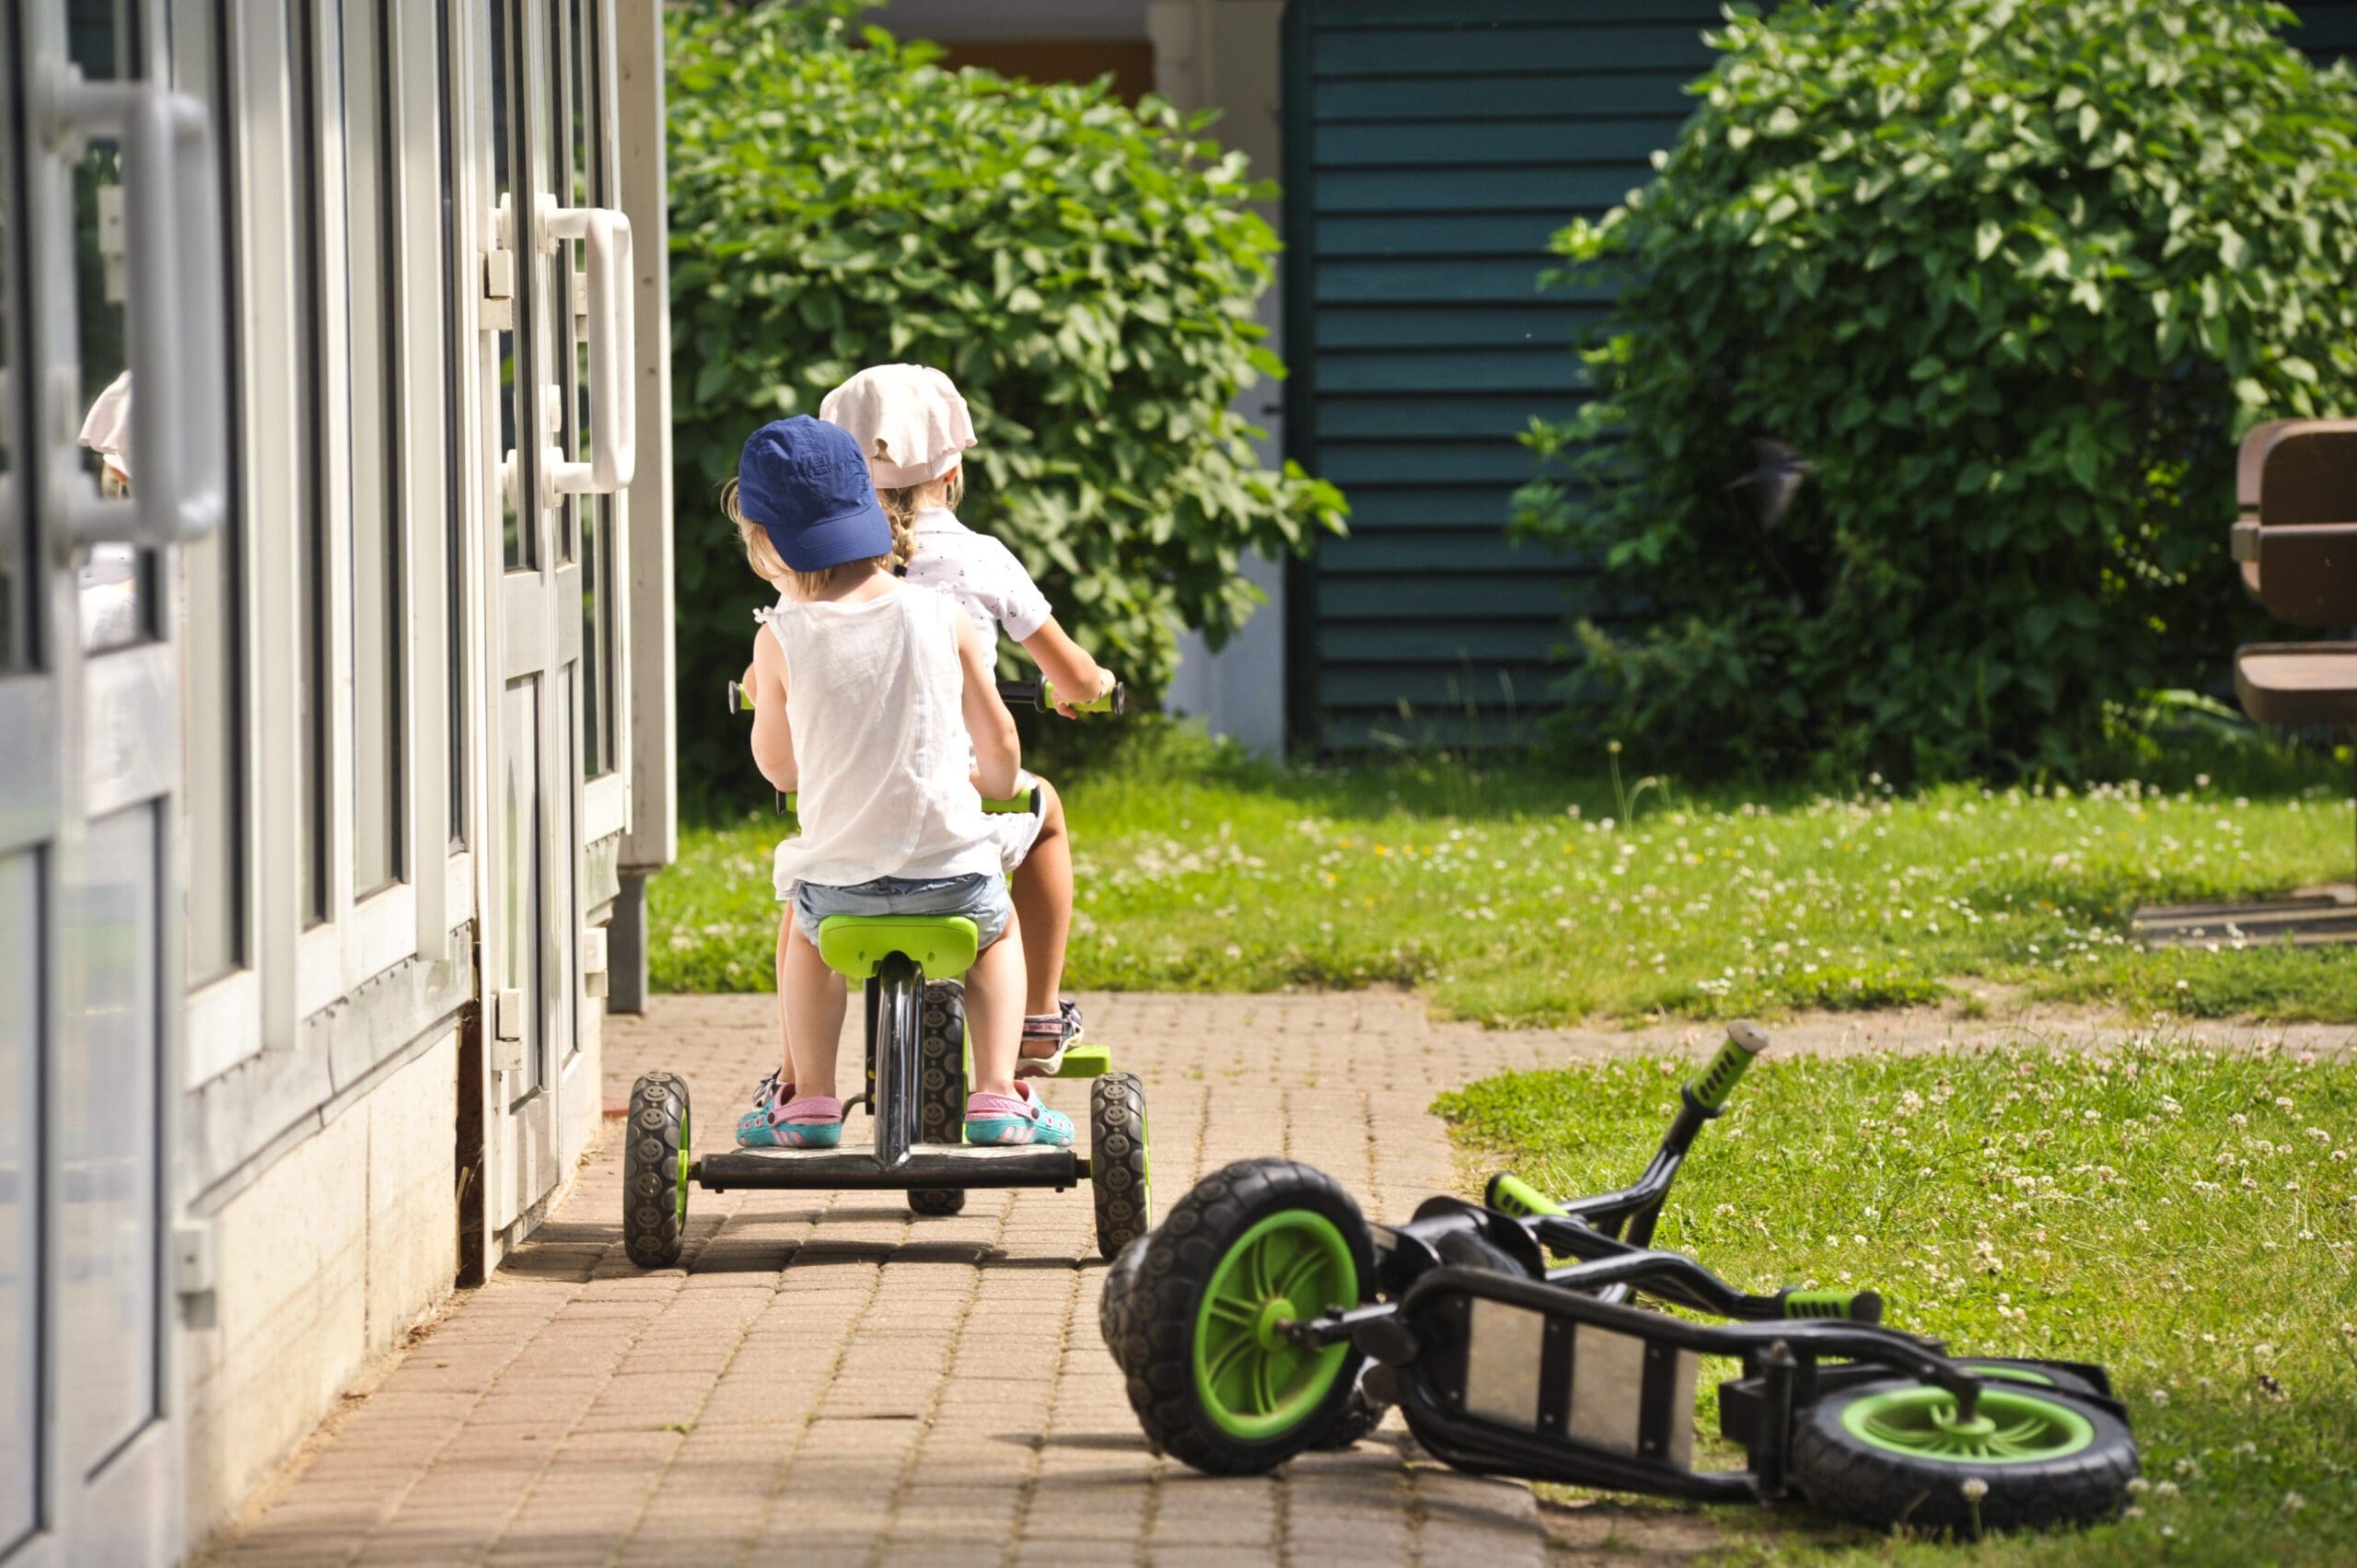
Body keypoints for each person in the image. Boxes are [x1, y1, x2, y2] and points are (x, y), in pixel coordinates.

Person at [722, 415, 1072, 1151]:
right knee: (998, 931)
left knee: (807, 942)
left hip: (840, 891)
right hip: (951, 879)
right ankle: (1000, 1094)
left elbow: (780, 768)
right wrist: (992, 780)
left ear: (766, 542)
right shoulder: (943, 617)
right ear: (871, 512)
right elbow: (1001, 748)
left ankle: (810, 1099)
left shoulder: (779, 637)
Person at [819, 363, 1116, 1077]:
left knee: (805, 896)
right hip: (960, 798)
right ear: (952, 471)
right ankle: (1040, 1018)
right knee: (1045, 815)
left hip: (853, 804)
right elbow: (1072, 673)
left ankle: (802, 1076)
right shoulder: (979, 558)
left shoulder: (822, 565)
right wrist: (1091, 684)